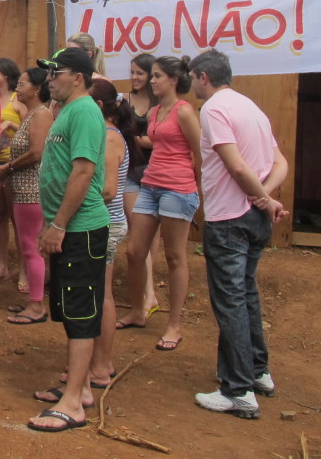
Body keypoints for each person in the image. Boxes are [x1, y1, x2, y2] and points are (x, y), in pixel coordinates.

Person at [190, 50, 288, 418]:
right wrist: (266, 200)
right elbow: (280, 163)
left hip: (229, 217)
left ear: (203, 77)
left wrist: (261, 197)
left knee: (230, 300)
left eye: (193, 79)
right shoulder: (252, 107)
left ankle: (238, 390)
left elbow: (235, 165)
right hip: (253, 217)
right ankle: (257, 371)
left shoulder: (214, 109)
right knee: (245, 295)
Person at [26, 47, 106, 433]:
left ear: (78, 76)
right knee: (71, 309)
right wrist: (51, 224)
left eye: (56, 72)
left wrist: (58, 225)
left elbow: (84, 172)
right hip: (66, 226)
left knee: (80, 313)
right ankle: (83, 388)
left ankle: (73, 403)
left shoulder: (86, 111)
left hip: (81, 228)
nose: (49, 78)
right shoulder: (67, 111)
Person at [117, 56, 201, 351]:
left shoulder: (184, 111)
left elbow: (198, 152)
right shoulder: (154, 112)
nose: (152, 81)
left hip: (177, 189)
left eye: (157, 76)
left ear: (174, 80)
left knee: (175, 256)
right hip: (150, 186)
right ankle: (139, 310)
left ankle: (174, 325)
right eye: (151, 76)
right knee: (134, 251)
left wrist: (192, 184)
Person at [0, 68, 52, 325]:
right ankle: (33, 301)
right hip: (24, 189)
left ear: (37, 89)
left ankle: (36, 306)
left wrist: (7, 168)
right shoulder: (33, 114)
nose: (18, 88)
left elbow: (37, 152)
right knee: (28, 246)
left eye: (23, 84)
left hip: (32, 190)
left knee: (31, 247)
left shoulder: (40, 115)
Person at [88, 79, 139, 389]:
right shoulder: (106, 134)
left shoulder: (107, 138)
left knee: (101, 294)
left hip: (105, 222)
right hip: (105, 222)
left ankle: (101, 365)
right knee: (96, 293)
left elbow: (106, 190)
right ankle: (97, 361)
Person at [122, 53, 161, 317]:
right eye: (132, 72)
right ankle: (147, 292)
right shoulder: (124, 100)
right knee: (137, 230)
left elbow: (160, 140)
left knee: (152, 236)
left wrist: (136, 139)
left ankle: (148, 290)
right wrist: (143, 139)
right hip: (130, 172)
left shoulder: (161, 105)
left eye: (140, 73)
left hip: (155, 172)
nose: (134, 77)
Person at [0, 57, 26, 289]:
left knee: (18, 220)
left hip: (13, 166)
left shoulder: (17, 101)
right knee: (0, 216)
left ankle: (23, 269)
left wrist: (11, 126)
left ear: (7, 74)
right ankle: (1, 265)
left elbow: (31, 131)